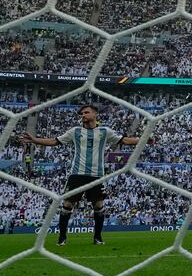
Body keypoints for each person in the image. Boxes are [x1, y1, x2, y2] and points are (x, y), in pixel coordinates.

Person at [19, 104, 141, 245]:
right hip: (77, 174)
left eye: (86, 112)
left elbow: (124, 140)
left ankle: (97, 237)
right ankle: (62, 238)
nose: (83, 115)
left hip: (96, 175)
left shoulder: (104, 131)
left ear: (95, 114)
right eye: (81, 113)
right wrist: (35, 140)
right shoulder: (75, 131)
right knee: (67, 204)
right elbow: (54, 141)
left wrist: (143, 140)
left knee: (99, 205)